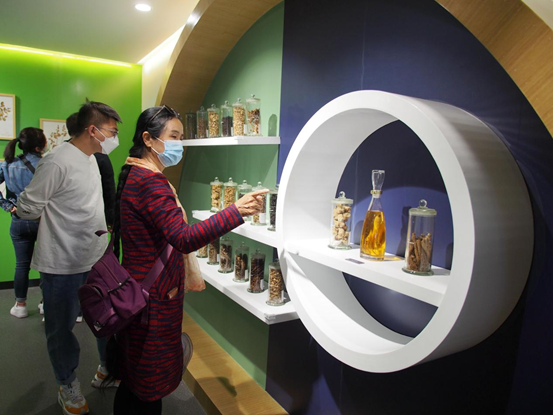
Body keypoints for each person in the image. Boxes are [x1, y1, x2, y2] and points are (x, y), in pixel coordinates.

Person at [108, 105, 266, 415]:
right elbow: (183, 238)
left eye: (181, 137)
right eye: (173, 136)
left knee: (134, 378)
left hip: (137, 288)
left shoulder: (134, 172)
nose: (179, 144)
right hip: (152, 299)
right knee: (148, 385)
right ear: (148, 139)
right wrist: (235, 211)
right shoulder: (151, 182)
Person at [16, 101, 122, 415]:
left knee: (108, 319)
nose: (114, 138)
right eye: (112, 131)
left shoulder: (92, 158)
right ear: (93, 130)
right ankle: (67, 384)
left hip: (96, 258)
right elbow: (28, 207)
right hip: (62, 264)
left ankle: (106, 369)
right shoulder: (57, 161)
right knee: (61, 329)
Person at [66, 112, 116, 325]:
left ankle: (72, 308)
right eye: (111, 132)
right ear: (90, 129)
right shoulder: (99, 157)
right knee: (94, 270)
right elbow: (109, 190)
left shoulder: (60, 154)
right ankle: (88, 308)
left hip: (70, 230)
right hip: (96, 225)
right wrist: (112, 220)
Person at [1, 127, 46, 318]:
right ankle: (45, 303)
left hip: (19, 220)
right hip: (43, 221)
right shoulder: (46, 164)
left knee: (21, 265)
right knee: (45, 265)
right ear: (38, 146)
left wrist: (7, 206)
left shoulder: (8, 163)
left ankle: (20, 305)